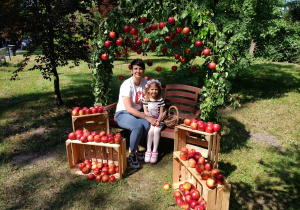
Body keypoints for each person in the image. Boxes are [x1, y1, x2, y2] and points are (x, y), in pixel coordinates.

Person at [115, 59, 157, 168]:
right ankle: (132, 154)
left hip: (138, 113)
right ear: (131, 70)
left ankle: (135, 148)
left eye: (141, 68)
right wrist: (146, 116)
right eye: (136, 69)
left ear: (143, 70)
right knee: (137, 126)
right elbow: (128, 108)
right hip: (123, 113)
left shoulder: (145, 83)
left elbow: (147, 100)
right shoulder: (126, 85)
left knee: (147, 125)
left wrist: (154, 113)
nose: (138, 71)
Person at [142, 79, 165, 163]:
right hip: (150, 120)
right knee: (150, 131)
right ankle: (148, 150)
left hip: (158, 120)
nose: (154, 91)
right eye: (152, 89)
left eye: (155, 89)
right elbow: (145, 111)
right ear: (148, 90)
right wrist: (151, 120)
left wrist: (158, 121)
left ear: (158, 90)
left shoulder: (160, 100)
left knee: (156, 130)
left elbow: (161, 112)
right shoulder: (145, 99)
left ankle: (155, 151)